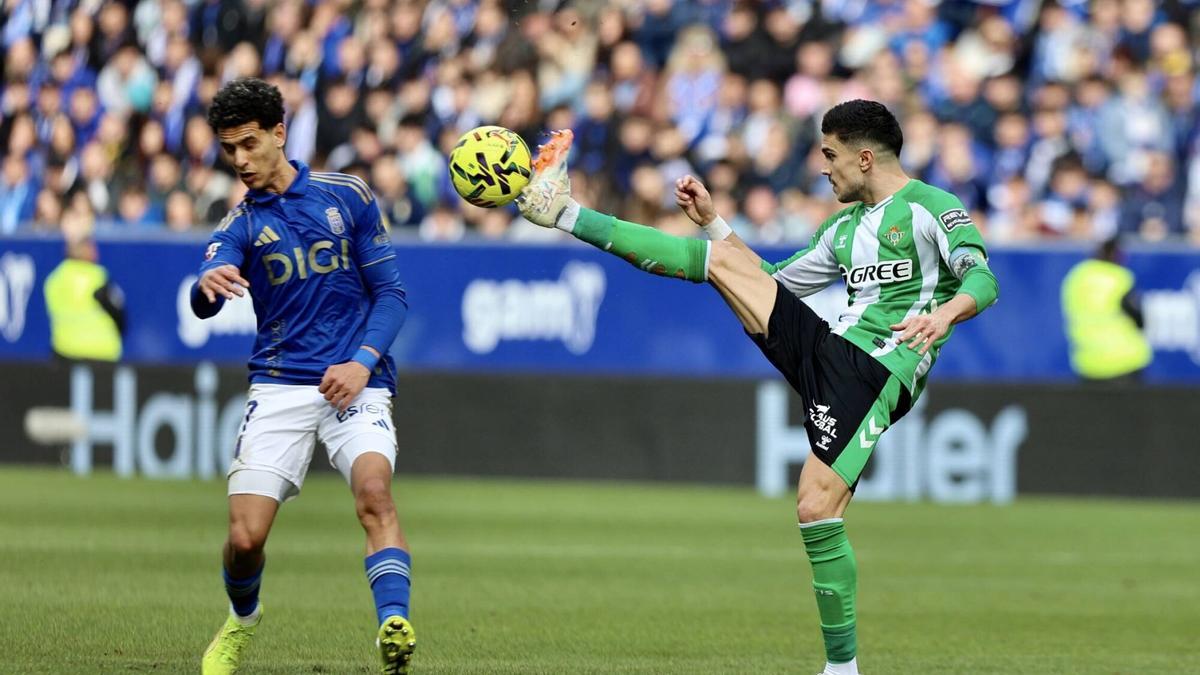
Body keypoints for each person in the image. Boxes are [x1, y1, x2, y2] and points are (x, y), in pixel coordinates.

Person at [517, 100, 999, 675]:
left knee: (815, 500)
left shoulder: (930, 208)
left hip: (878, 365)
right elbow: (768, 284)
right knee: (818, 508)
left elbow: (982, 278)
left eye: (830, 154)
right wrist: (715, 225)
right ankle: (842, 671)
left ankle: (566, 214)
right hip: (826, 354)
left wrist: (944, 315)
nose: (823, 167)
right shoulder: (840, 230)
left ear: (865, 157)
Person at [190, 78, 414, 674]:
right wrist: (205, 288)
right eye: (228, 148)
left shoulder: (349, 196)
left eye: (248, 144)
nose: (239, 160)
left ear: (279, 134)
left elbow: (390, 295)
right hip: (280, 382)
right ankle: (242, 620)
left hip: (356, 380)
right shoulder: (237, 222)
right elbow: (207, 288)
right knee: (244, 540)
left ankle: (394, 627)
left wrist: (362, 362)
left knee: (374, 495)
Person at [1061, 237, 1152, 383]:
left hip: (1087, 362)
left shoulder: (1076, 276)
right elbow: (1139, 318)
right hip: (1124, 362)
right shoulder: (1118, 278)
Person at [43, 234, 124, 362]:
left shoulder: (55, 279)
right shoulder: (97, 277)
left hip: (64, 348)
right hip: (101, 351)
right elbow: (119, 312)